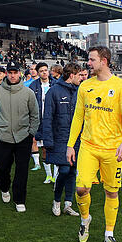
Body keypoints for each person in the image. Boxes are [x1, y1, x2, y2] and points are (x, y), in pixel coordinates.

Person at [66, 46, 122, 242]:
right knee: (81, 187)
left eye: (92, 59)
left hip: (112, 149)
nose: (88, 63)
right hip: (89, 146)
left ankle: (109, 232)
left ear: (104, 61)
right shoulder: (85, 86)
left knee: (111, 192)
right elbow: (78, 116)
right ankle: (85, 220)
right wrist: (70, 145)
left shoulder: (121, 86)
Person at [0, 62, 40, 213]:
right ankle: (4, 188)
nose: (12, 75)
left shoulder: (28, 93)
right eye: (9, 72)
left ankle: (19, 199)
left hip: (23, 137)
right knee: (2, 168)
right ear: (6, 73)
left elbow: (35, 115)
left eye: (15, 72)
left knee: (22, 170)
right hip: (2, 137)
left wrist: (31, 133)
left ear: (20, 73)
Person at [42, 62, 83, 217]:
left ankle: (68, 203)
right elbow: (47, 118)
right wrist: (48, 142)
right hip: (60, 138)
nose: (81, 78)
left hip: (77, 139)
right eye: (79, 75)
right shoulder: (53, 91)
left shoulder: (80, 91)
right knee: (64, 170)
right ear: (71, 75)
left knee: (72, 171)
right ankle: (57, 201)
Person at [30, 62, 57, 183]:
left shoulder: (56, 84)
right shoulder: (33, 86)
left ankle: (56, 176)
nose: (44, 72)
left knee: (56, 149)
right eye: (41, 71)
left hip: (55, 121)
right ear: (38, 73)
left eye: (46, 70)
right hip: (41, 122)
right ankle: (48, 175)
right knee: (45, 148)